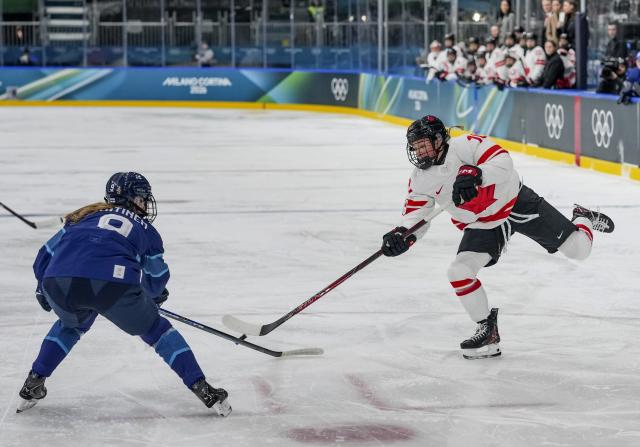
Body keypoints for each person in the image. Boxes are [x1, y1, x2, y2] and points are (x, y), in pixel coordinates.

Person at [380, 116, 615, 359]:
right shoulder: (421, 179)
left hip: (516, 202)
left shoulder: (465, 146)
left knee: (579, 250)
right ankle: (487, 329)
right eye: (415, 147)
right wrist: (402, 235)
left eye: (423, 145)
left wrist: (477, 174)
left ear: (438, 139)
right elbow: (416, 216)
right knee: (459, 271)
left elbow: (504, 162)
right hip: (485, 223)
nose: (419, 152)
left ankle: (583, 217)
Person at [17, 172, 232, 416]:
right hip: (113, 286)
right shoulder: (147, 230)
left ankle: (34, 381)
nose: (145, 204)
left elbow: (43, 257)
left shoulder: (82, 217)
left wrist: (42, 288)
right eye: (142, 198)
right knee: (157, 330)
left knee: (71, 325)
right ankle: (201, 387)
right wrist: (151, 297)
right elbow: (157, 277)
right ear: (133, 199)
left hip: (58, 283)